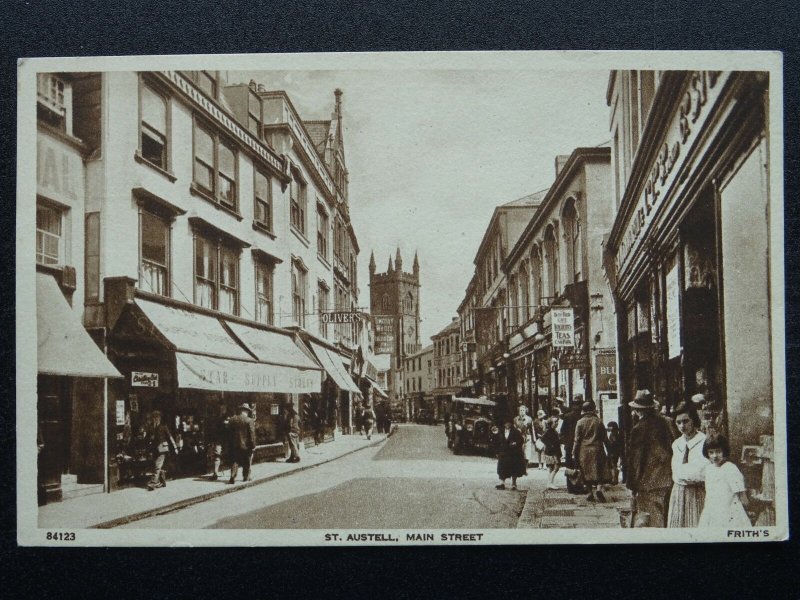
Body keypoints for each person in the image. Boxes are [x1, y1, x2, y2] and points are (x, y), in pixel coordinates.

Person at [626, 390, 679, 527]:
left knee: (651, 518)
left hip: (647, 480)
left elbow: (636, 459)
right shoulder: (667, 422)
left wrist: (631, 484)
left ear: (638, 411)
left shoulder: (638, 428)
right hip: (667, 478)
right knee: (665, 514)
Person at [666, 402, 707, 528]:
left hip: (696, 491)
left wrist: (687, 474)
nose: (682, 426)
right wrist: (683, 475)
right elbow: (676, 470)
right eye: (678, 422)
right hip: (678, 491)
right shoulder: (677, 444)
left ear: (693, 421)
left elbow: (702, 471)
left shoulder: (704, 441)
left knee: (695, 523)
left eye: (685, 421)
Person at [698, 434, 752, 528]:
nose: (715, 456)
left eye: (718, 452)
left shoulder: (730, 468)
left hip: (730, 512)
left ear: (724, 451)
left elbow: (742, 496)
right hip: (712, 512)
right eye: (711, 452)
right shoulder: (709, 469)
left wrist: (746, 510)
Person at [573, 400, 612, 503]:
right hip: (597, 449)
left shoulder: (579, 422)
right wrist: (609, 450)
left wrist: (574, 452)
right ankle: (599, 489)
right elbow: (605, 438)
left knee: (586, 472)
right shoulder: (598, 421)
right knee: (599, 470)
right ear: (593, 409)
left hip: (584, 450)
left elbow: (577, 440)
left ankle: (590, 493)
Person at [147, 410, 177, 491]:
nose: (155, 419)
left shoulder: (163, 426)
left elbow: (170, 436)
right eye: (154, 417)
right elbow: (148, 437)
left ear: (159, 418)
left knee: (157, 466)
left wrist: (175, 447)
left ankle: (153, 483)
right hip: (154, 449)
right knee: (158, 466)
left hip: (162, 449)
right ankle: (162, 481)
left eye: (156, 417)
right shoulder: (151, 427)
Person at [492, 420, 526, 490]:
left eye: (509, 423)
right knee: (502, 468)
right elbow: (496, 442)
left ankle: (514, 484)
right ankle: (502, 483)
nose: (507, 424)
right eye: (506, 423)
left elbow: (521, 440)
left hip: (513, 453)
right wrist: (497, 452)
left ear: (511, 423)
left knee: (513, 468)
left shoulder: (516, 431)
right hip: (503, 452)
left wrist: (515, 443)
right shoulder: (500, 431)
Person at [226, 404, 256, 483]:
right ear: (246, 411)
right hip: (246, 445)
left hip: (234, 445)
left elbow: (228, 432)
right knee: (246, 461)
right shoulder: (249, 420)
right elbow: (251, 434)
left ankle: (232, 476)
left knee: (234, 460)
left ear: (240, 410)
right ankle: (245, 477)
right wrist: (253, 445)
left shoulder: (232, 419)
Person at [560, 402, 583, 494]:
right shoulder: (581, 418)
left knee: (569, 466)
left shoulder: (567, 416)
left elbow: (562, 431)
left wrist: (565, 442)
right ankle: (578, 486)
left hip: (569, 445)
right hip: (579, 445)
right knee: (579, 466)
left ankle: (570, 487)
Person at [540, 416, 563, 489]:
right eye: (555, 422)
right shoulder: (550, 431)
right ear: (551, 423)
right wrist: (551, 445)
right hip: (553, 452)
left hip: (551, 451)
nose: (556, 423)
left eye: (557, 422)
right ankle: (550, 483)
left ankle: (550, 482)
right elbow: (543, 438)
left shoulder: (553, 430)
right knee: (556, 467)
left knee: (551, 467)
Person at [208, 403, 228, 481]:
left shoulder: (226, 418)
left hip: (223, 440)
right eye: (221, 409)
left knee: (218, 455)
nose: (222, 410)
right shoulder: (216, 419)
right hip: (218, 440)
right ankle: (215, 473)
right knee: (217, 456)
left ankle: (218, 472)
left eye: (224, 409)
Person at [513, 404, 534, 471]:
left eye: (523, 410)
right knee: (519, 452)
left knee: (527, 452)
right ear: (519, 411)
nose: (522, 411)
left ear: (526, 411)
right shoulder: (515, 419)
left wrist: (534, 439)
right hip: (518, 437)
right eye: (520, 410)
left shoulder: (529, 419)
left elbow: (532, 429)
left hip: (527, 437)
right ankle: (519, 467)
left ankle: (525, 468)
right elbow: (514, 428)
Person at [605, 421, 624, 485]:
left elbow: (613, 443)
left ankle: (614, 479)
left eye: (609, 427)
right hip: (615, 452)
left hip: (612, 452)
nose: (608, 428)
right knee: (613, 465)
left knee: (612, 465)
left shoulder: (613, 434)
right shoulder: (616, 434)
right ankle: (614, 479)